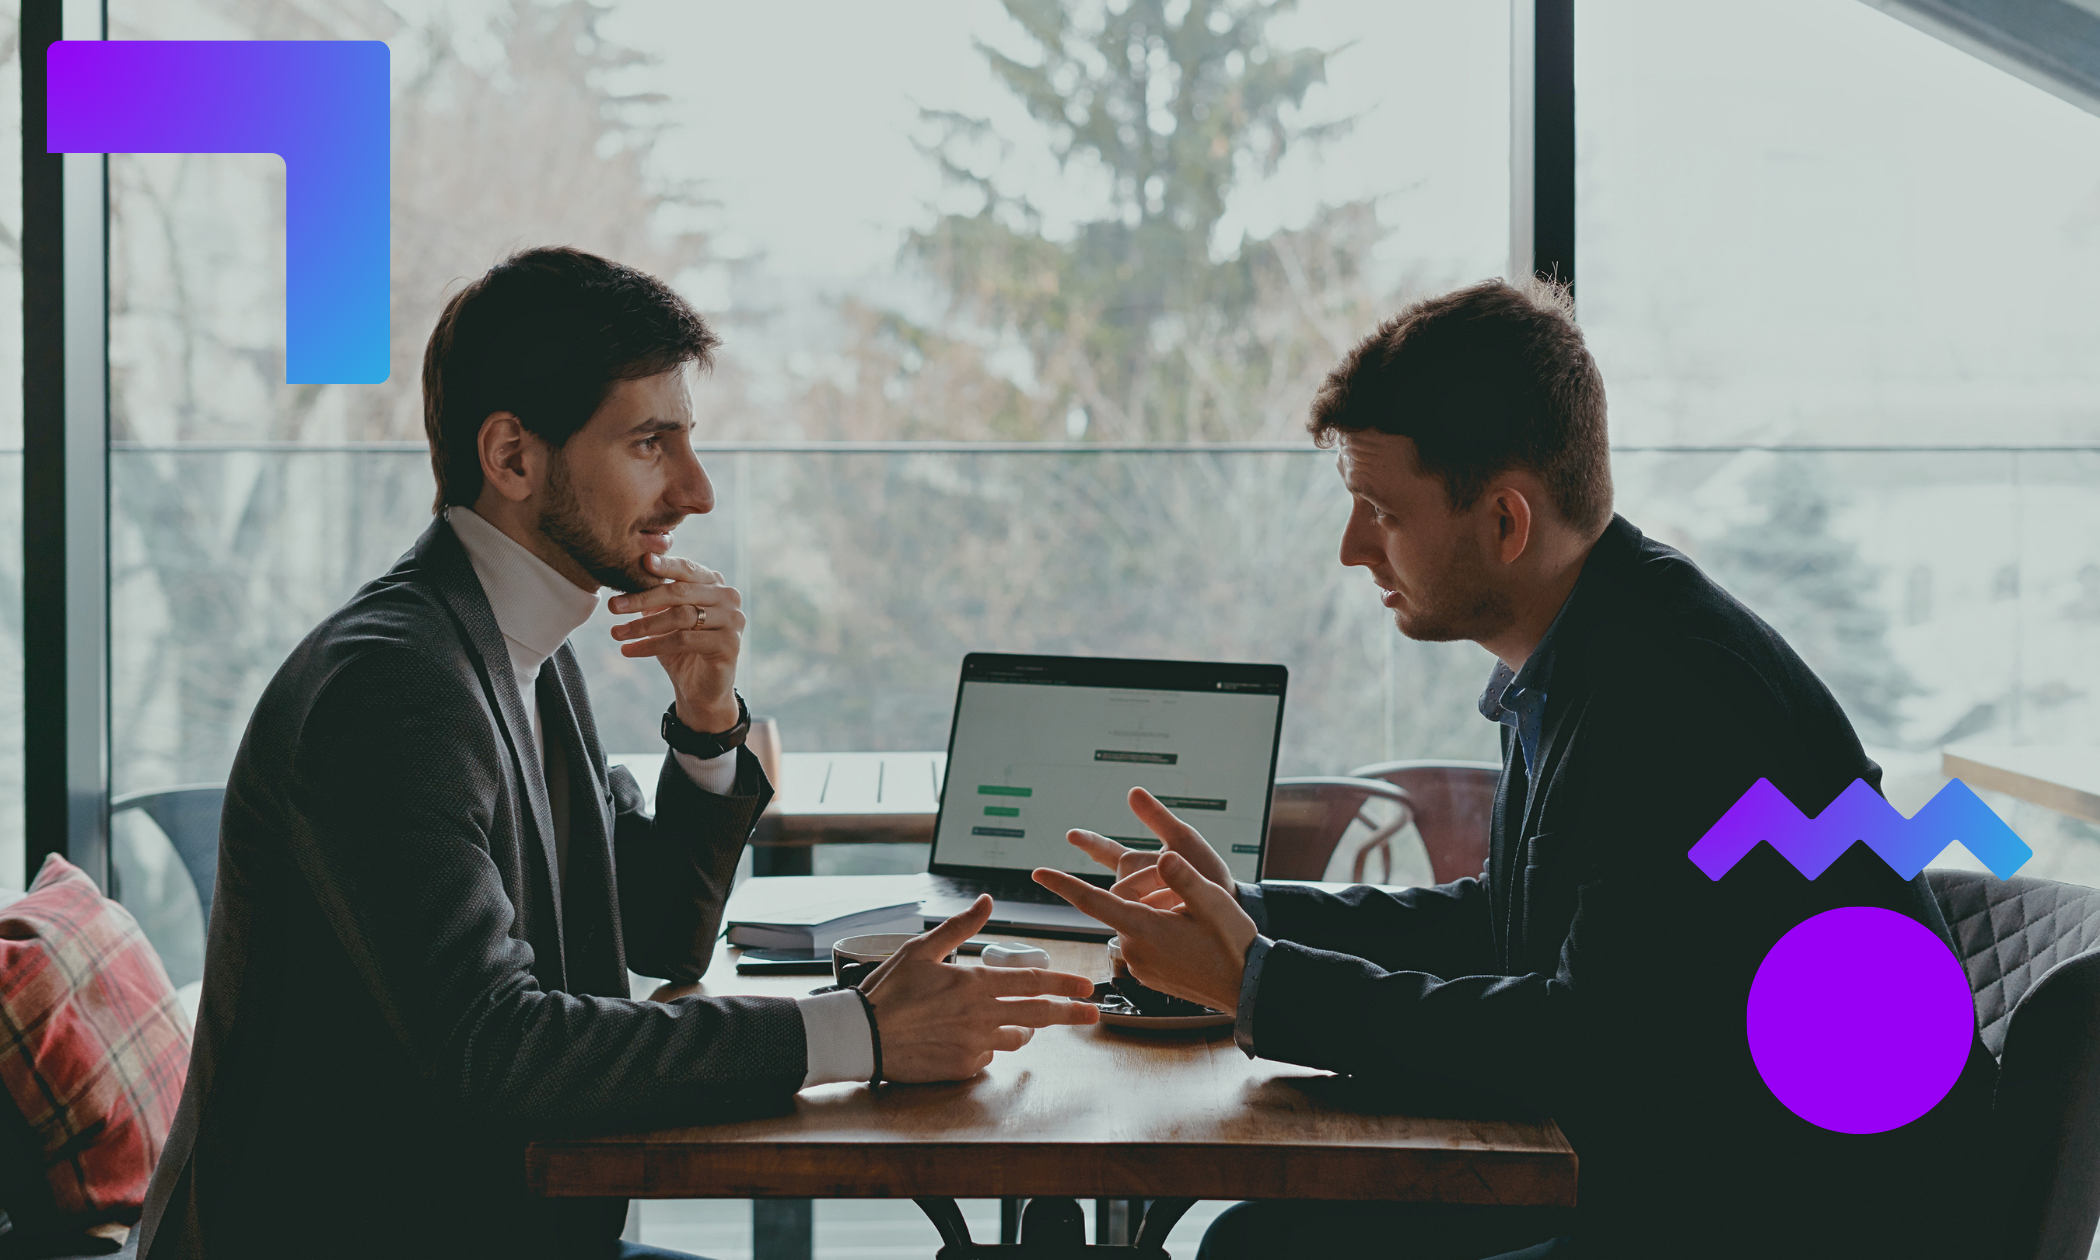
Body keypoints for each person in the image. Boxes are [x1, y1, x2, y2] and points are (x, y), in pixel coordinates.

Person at [138, 247, 1098, 1260]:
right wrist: (858, 1030)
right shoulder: (394, 688)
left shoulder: (521, 646)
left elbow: (656, 934)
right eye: (650, 444)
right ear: (512, 458)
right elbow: (498, 1047)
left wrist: (706, 718)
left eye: (688, 442)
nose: (697, 491)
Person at [1035, 279, 1995, 1259]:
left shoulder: (1669, 697)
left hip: (1802, 1214)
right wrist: (1248, 914)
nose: (1352, 548)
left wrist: (1262, 985)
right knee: (1264, 1240)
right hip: (1703, 1162)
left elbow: (1582, 1043)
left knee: (1265, 1248)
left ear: (1505, 521)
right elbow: (1511, 926)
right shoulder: (1593, 648)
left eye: (1381, 510)